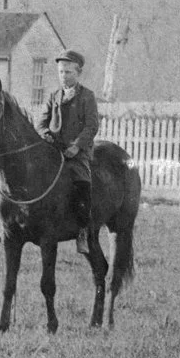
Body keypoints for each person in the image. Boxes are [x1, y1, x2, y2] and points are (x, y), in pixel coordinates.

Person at [40, 49, 102, 255]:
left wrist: (76, 146)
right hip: (53, 150)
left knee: (82, 183)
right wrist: (46, 133)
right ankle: (14, 227)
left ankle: (82, 232)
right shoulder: (53, 96)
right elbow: (41, 122)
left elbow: (91, 126)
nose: (64, 76)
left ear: (78, 73)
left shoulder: (87, 96)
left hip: (77, 152)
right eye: (61, 72)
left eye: (68, 72)